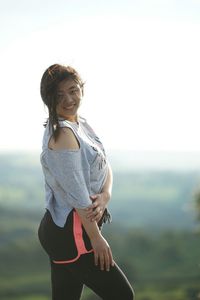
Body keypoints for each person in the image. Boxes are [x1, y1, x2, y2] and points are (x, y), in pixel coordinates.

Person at [38, 64, 134, 300]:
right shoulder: (63, 136)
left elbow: (104, 164)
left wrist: (106, 195)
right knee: (123, 295)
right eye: (59, 95)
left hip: (69, 230)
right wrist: (96, 239)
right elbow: (78, 195)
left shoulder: (81, 124)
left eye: (73, 90)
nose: (68, 99)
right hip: (73, 234)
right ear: (48, 99)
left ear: (81, 89)